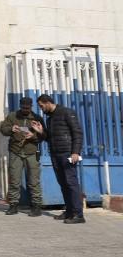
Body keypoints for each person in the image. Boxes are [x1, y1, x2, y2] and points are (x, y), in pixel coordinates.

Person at [37, 94, 85, 224]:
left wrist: (75, 152)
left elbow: (77, 132)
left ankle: (78, 214)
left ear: (47, 102)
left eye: (41, 106)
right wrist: (42, 132)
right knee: (63, 184)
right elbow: (50, 138)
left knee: (71, 183)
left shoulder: (66, 112)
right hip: (55, 154)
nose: (41, 109)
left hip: (67, 154)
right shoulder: (49, 119)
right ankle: (69, 211)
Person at [0, 96, 44, 216]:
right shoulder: (12, 116)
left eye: (27, 108)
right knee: (14, 179)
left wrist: (33, 136)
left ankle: (36, 206)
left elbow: (44, 136)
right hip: (15, 151)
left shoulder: (37, 118)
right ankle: (13, 205)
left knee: (34, 180)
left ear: (31, 107)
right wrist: (11, 129)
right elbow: (3, 129)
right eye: (23, 107)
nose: (25, 110)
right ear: (20, 106)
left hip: (32, 152)